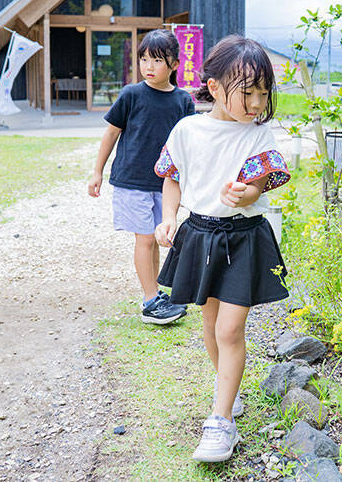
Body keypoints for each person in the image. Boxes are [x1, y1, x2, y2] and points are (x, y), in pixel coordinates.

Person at [153, 35, 290, 463]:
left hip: (243, 237)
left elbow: (260, 184)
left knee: (230, 330)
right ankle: (226, 393)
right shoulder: (188, 130)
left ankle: (220, 421)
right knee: (211, 326)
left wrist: (245, 194)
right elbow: (171, 176)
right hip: (199, 234)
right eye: (247, 92)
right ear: (214, 88)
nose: (256, 102)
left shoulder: (258, 136)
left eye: (263, 93)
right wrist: (169, 217)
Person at [88, 29, 194, 325]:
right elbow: (111, 133)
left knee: (160, 238)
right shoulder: (131, 94)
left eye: (157, 60)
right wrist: (97, 171)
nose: (148, 66)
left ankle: (156, 292)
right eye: (144, 59)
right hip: (131, 181)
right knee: (145, 239)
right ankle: (150, 302)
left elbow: (187, 146)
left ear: (174, 64)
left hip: (165, 184)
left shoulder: (183, 101)